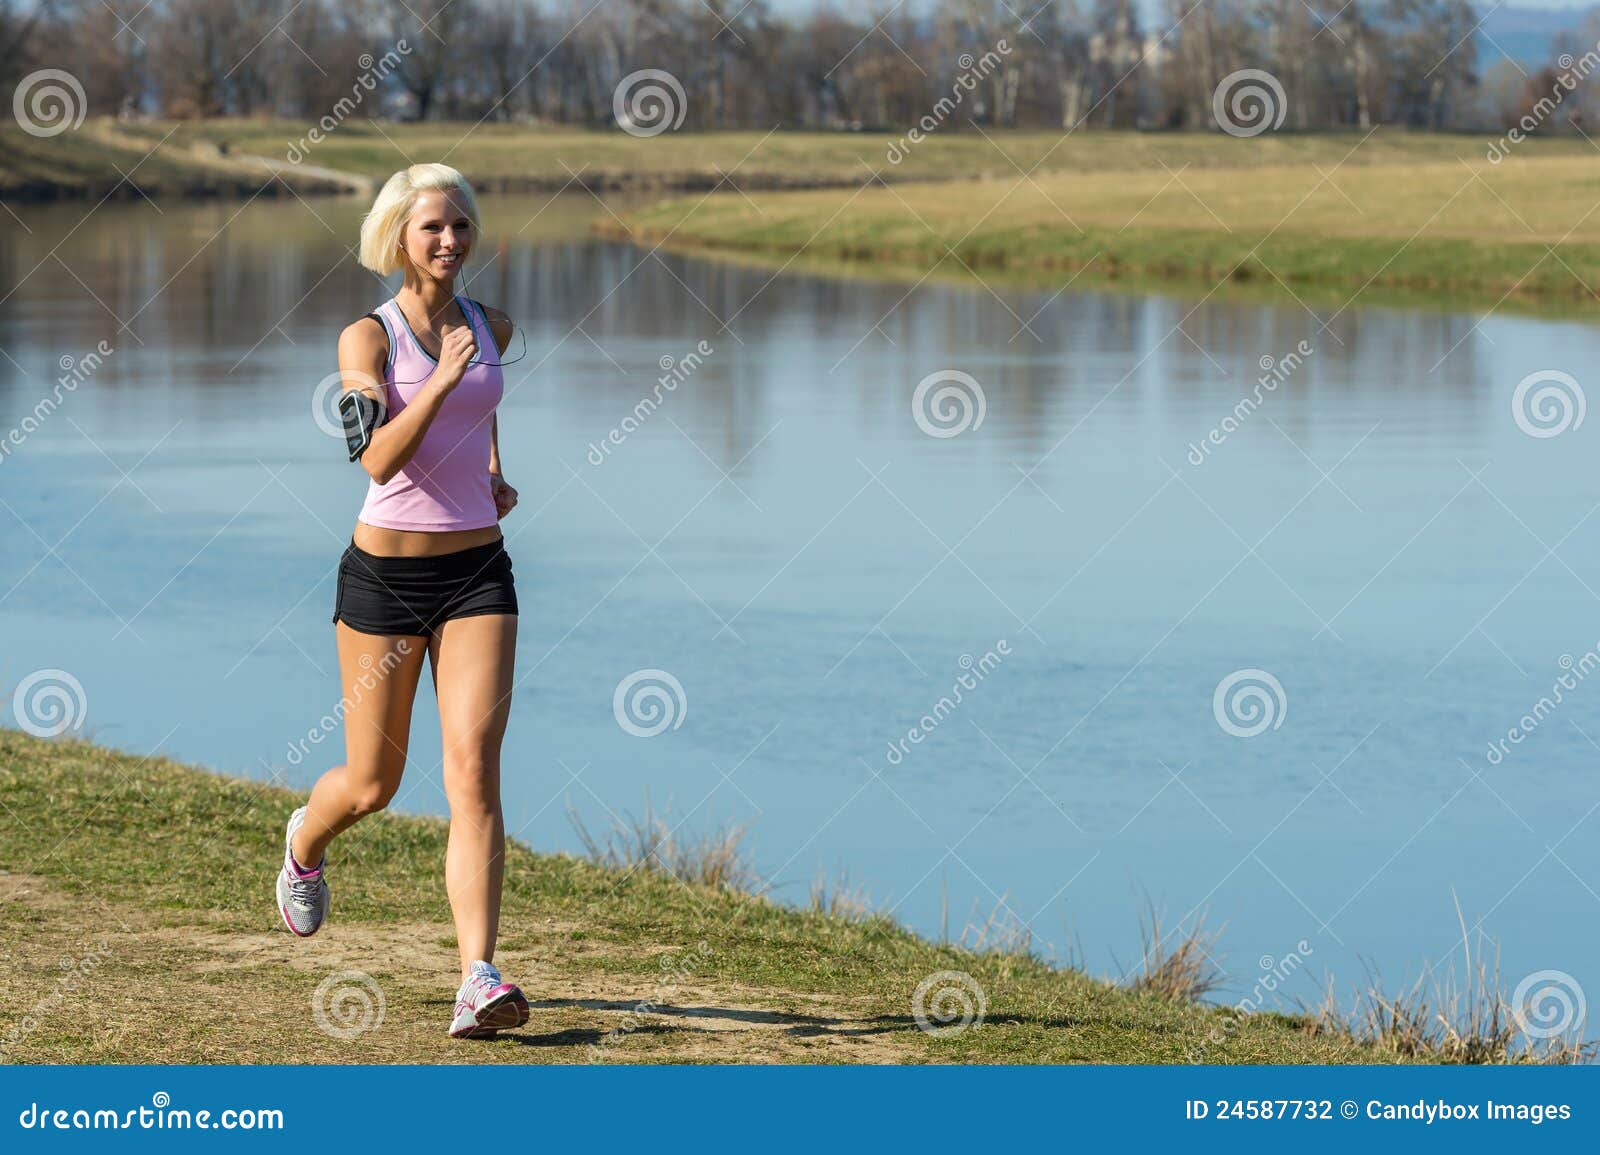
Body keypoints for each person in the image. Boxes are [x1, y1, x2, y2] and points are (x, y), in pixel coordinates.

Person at [275, 163, 528, 1040]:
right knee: (375, 783)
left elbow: (484, 410)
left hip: (478, 576)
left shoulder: (491, 325)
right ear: (398, 238)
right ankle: (306, 841)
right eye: (433, 228)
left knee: (473, 773)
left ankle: (479, 976)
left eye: (461, 225)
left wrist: (491, 474)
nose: (451, 240)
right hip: (384, 580)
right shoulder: (366, 340)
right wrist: (447, 379)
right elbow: (374, 458)